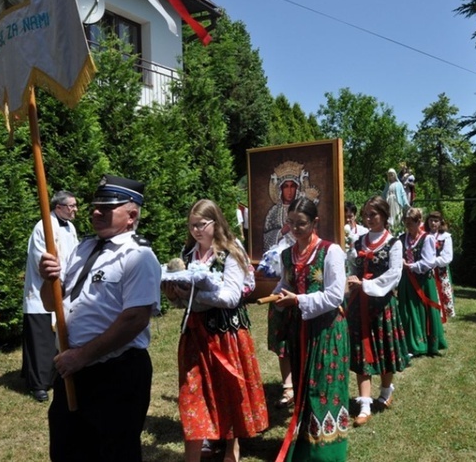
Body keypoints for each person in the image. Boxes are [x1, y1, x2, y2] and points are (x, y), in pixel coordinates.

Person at [39, 175, 161, 462]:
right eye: (95, 207)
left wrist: (81, 356)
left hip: (115, 373)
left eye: (106, 208)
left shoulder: (139, 256)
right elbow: (51, 303)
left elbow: (135, 319)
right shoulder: (82, 248)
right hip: (73, 370)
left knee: (113, 452)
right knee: (67, 450)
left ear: (131, 215)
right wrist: (49, 280)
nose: (95, 212)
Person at [162, 199, 268, 462]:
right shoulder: (188, 254)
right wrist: (174, 295)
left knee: (229, 393)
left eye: (201, 224)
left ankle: (232, 450)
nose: (196, 230)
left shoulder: (231, 253)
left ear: (216, 222)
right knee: (191, 397)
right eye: (192, 225)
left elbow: (231, 297)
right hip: (195, 336)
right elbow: (183, 301)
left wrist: (196, 292)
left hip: (226, 335)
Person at [271, 197, 350, 461]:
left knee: (324, 390)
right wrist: (275, 297)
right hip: (299, 331)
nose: (295, 228)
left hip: (327, 332)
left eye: (301, 224)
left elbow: (335, 296)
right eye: (291, 223)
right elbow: (284, 283)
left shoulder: (331, 252)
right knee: (305, 387)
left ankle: (327, 454)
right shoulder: (286, 254)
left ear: (315, 222)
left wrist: (298, 300)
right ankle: (305, 448)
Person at [346, 196, 410, 427]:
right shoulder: (357, 241)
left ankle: (385, 391)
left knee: (384, 351)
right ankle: (364, 404)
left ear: (384, 215)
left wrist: (367, 285)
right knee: (362, 351)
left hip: (382, 305)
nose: (369, 218)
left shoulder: (394, 243)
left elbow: (394, 275)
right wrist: (351, 279)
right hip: (359, 305)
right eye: (366, 214)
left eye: (373, 214)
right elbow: (351, 267)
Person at [21, 190, 79, 402]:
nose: (75, 210)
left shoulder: (70, 227)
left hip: (65, 289)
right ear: (58, 207)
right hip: (42, 291)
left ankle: (55, 374)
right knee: (41, 339)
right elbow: (42, 261)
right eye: (71, 206)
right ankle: (38, 384)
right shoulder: (42, 227)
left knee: (58, 337)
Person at [398, 207, 448, 357]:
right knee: (407, 310)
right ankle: (411, 343)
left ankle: (425, 343)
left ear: (419, 222)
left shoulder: (427, 239)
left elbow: (428, 262)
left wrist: (411, 266)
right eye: (406, 223)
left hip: (422, 281)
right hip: (406, 280)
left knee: (422, 310)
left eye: (410, 223)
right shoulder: (402, 238)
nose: (408, 226)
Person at [426, 210, 455, 321]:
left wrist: (432, 261)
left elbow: (447, 257)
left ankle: (440, 318)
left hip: (440, 271)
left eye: (436, 221)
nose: (433, 223)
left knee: (442, 293)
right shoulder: (425, 235)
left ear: (440, 222)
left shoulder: (445, 237)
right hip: (427, 271)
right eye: (431, 220)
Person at [343, 201, 368, 275]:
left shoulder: (364, 232)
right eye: (345, 217)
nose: (347, 220)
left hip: (358, 270)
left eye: (350, 217)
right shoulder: (338, 232)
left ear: (355, 216)